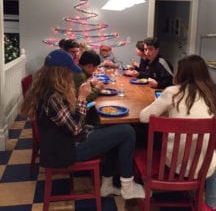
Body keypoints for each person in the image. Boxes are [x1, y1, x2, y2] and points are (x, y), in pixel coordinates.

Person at [20, 49, 145, 200]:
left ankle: (107, 185)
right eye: (68, 72)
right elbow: (76, 128)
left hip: (62, 143)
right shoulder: (52, 97)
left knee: (112, 130)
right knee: (127, 131)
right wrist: (81, 98)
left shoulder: (48, 89)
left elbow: (70, 122)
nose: (70, 76)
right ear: (60, 72)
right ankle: (128, 187)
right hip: (64, 151)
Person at [140, 54, 216, 211]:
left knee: (173, 145)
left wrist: (166, 115)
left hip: (174, 164)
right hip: (201, 165)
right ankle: (210, 205)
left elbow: (144, 117)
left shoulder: (172, 92)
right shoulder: (213, 94)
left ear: (181, 73)